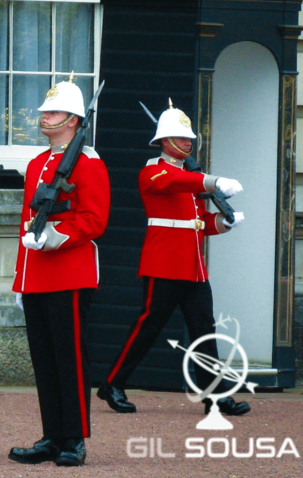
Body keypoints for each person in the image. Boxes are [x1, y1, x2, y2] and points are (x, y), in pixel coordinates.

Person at [97, 100, 251, 417]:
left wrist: (225, 222)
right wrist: (213, 180)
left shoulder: (190, 178)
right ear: (165, 141)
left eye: (189, 138)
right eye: (181, 138)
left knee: (204, 331)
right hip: (164, 263)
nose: (188, 142)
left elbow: (200, 225)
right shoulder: (153, 172)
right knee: (149, 327)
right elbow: (174, 182)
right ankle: (112, 383)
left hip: (193, 267)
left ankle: (215, 395)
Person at [9, 78, 109, 467]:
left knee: (69, 359)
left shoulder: (89, 161)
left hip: (69, 272)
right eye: (45, 112)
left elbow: (94, 219)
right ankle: (52, 434)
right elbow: (26, 222)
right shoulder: (37, 163)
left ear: (72, 119)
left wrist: (55, 236)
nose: (44, 117)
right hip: (38, 274)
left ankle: (74, 438)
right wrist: (21, 277)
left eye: (51, 112)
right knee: (45, 361)